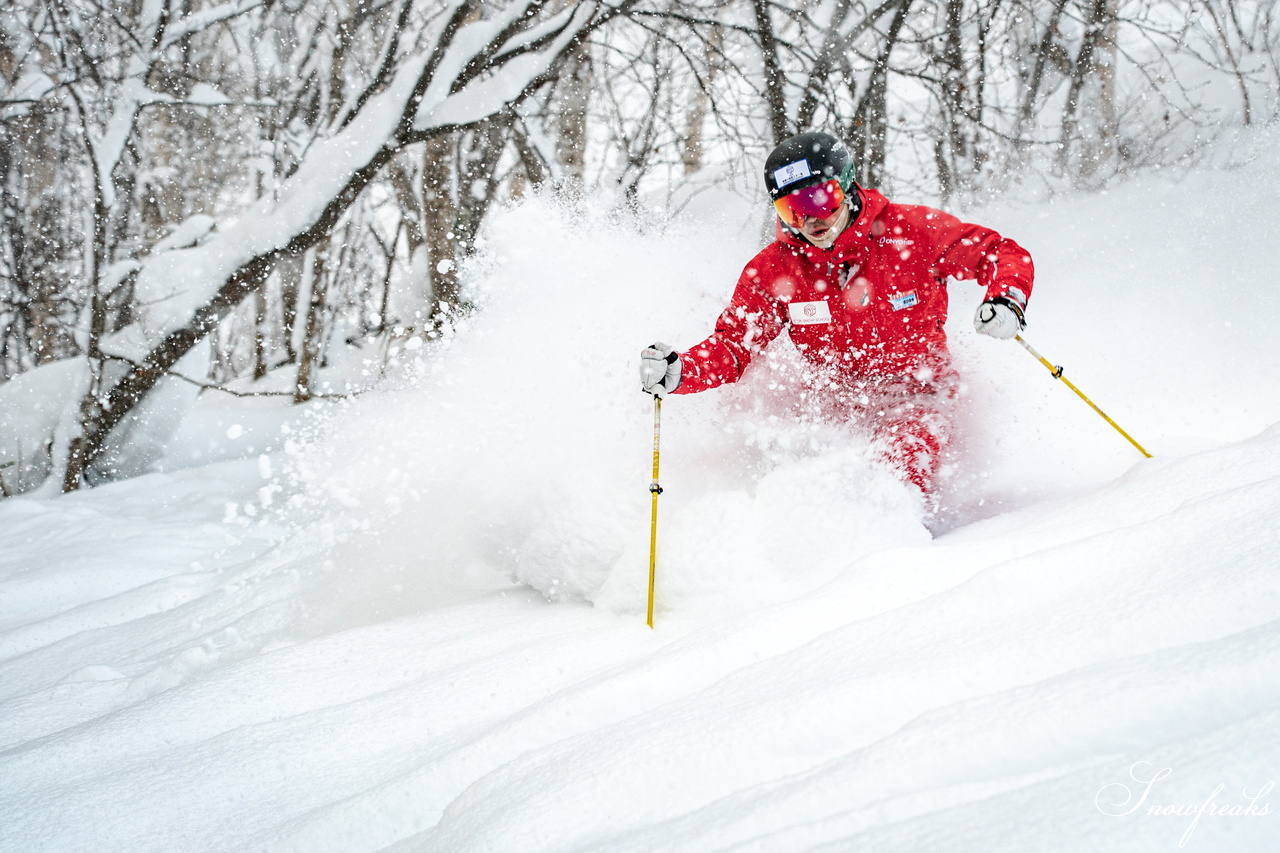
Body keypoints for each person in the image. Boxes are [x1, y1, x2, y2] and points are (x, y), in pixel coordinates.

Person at [639, 131, 1034, 494]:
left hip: (918, 396)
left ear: (845, 186)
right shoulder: (776, 270)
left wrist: (1006, 298)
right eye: (791, 209)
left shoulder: (910, 232)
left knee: (896, 467)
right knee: (792, 479)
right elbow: (734, 345)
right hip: (833, 410)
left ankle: (891, 545)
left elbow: (999, 254)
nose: (808, 220)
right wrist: (683, 371)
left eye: (818, 200)